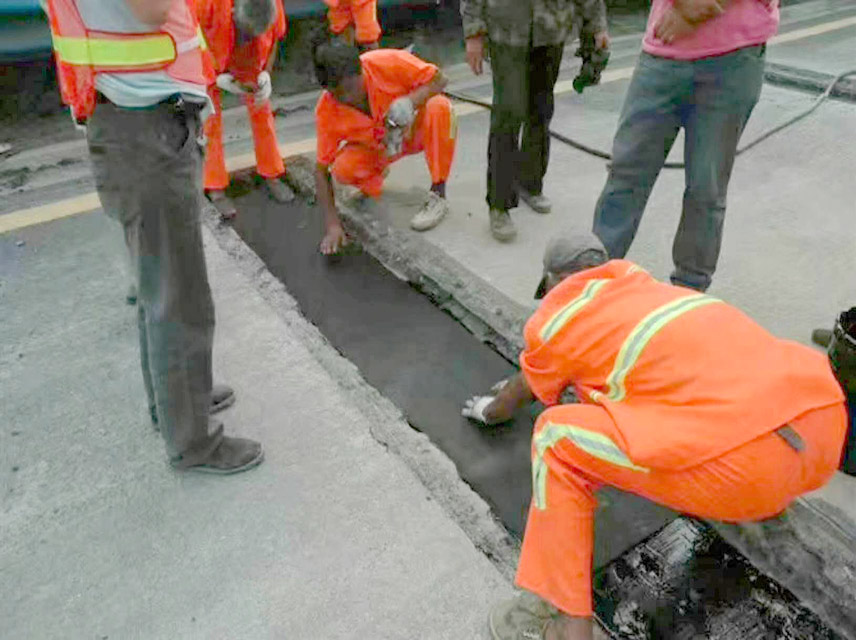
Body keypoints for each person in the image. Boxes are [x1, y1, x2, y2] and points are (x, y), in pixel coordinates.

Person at [462, 232, 847, 640]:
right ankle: (765, 508)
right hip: (823, 425)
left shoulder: (559, 319)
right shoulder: (649, 291)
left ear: (556, 282)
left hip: (746, 472)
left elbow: (522, 391)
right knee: (680, 399)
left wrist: (491, 409)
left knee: (556, 439)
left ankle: (565, 623)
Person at [46, 0, 264, 474]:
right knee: (177, 293)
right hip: (143, 131)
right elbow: (151, 10)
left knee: (158, 282)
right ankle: (193, 441)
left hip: (132, 122)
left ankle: (176, 404)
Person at [592, 0, 779, 292]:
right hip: (664, 52)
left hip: (733, 59)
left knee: (706, 189)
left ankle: (688, 294)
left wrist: (694, 9)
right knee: (626, 175)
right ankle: (589, 288)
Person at [460, 0, 609, 242]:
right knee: (508, 113)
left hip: (552, 26)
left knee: (541, 110)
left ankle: (530, 182)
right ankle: (500, 204)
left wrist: (597, 26)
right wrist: (473, 33)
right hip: (507, 29)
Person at [312, 42, 457, 254]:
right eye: (338, 95)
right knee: (343, 169)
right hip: (378, 149)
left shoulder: (387, 62)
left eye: (351, 88)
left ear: (360, 70)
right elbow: (321, 169)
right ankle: (375, 176)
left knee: (440, 107)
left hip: (411, 134)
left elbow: (440, 80)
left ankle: (438, 192)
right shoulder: (326, 111)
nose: (347, 98)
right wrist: (332, 225)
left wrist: (410, 102)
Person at [196, 0, 294, 220]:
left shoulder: (270, 5)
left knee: (261, 104)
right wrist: (214, 77)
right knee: (209, 117)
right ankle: (215, 186)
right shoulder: (204, 4)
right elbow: (188, 43)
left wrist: (265, 74)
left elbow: (274, 37)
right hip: (207, 50)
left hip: (248, 53)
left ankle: (271, 172)